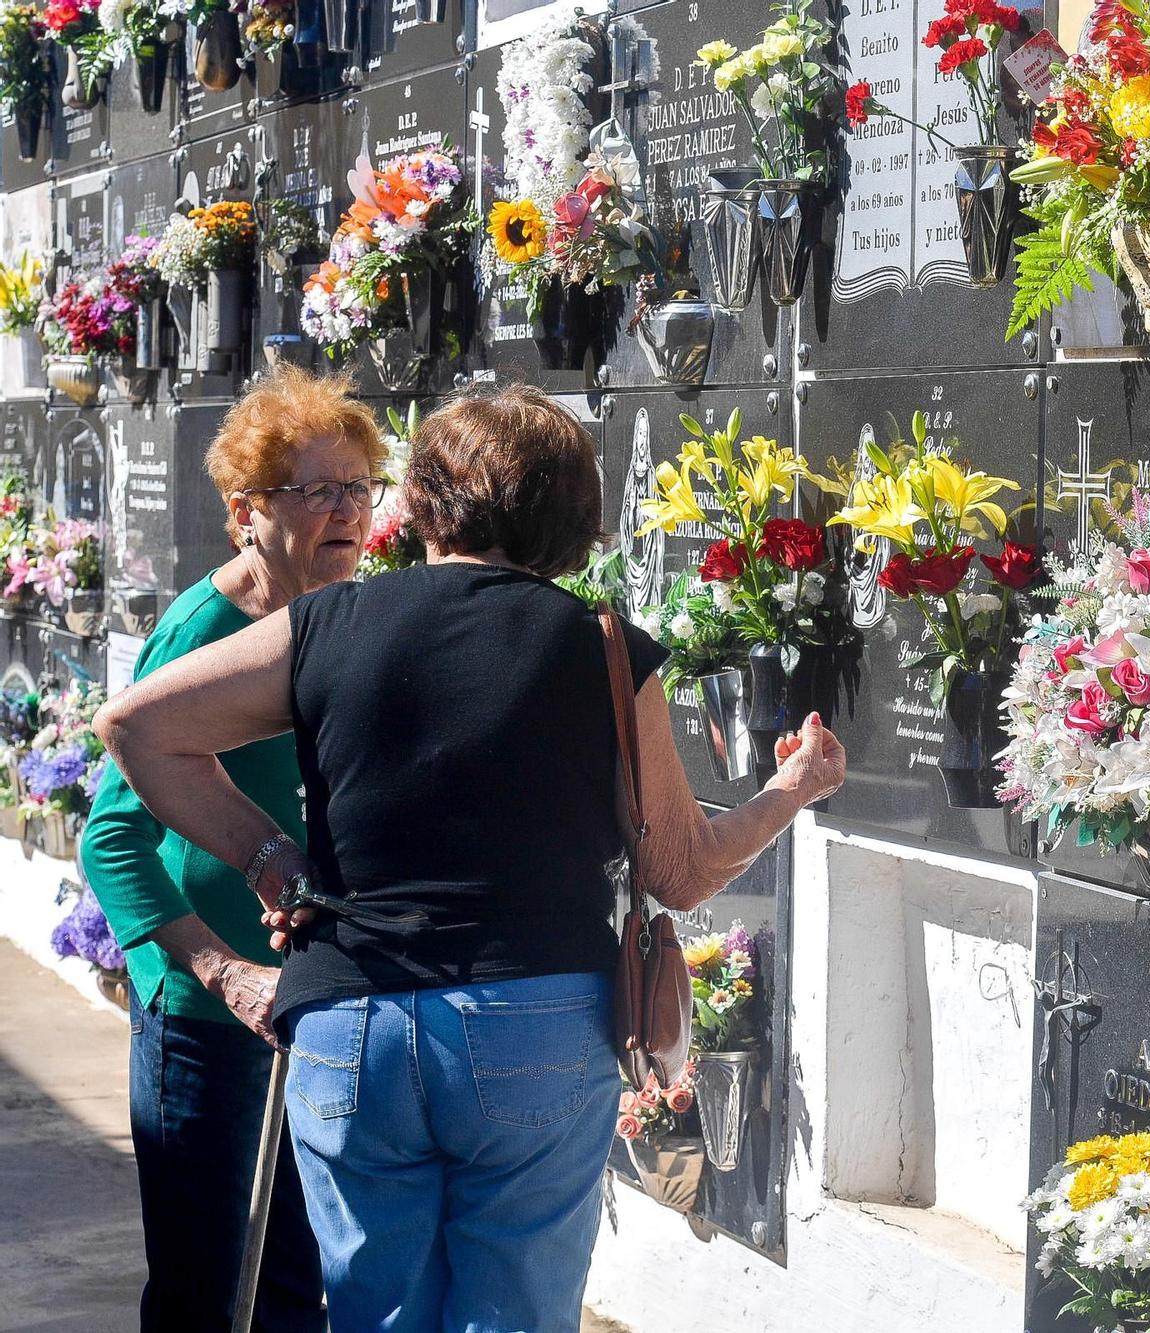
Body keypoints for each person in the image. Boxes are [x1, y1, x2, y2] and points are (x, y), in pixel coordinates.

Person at [94, 383, 846, 1333]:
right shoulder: (602, 647)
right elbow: (682, 870)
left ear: (423, 500)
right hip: (529, 1024)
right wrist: (791, 791)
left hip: (351, 1023)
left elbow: (137, 726)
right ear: (571, 512)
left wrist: (271, 861)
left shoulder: (327, 624)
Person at [82, 364, 387, 1332]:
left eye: (357, 487)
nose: (344, 512)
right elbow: (111, 840)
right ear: (246, 510)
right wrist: (223, 972)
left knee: (297, 1289)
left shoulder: (353, 614)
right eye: (316, 491)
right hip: (211, 1028)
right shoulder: (205, 632)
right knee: (207, 1294)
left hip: (318, 1016)